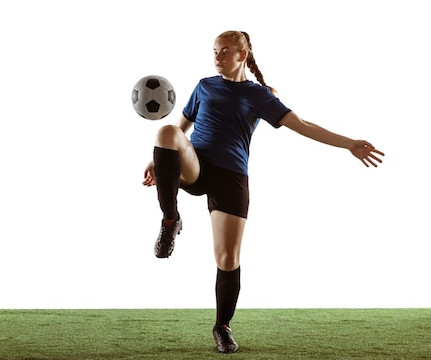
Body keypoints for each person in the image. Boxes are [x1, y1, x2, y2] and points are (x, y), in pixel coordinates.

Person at [142, 30, 384, 353]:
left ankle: (222, 327)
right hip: (197, 165)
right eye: (215, 51)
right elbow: (181, 127)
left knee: (227, 257)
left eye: (225, 51)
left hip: (231, 177)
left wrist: (349, 144)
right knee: (166, 131)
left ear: (242, 56)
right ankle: (170, 222)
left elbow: (304, 125)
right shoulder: (204, 86)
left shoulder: (258, 96)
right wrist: (157, 158)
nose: (217, 56)